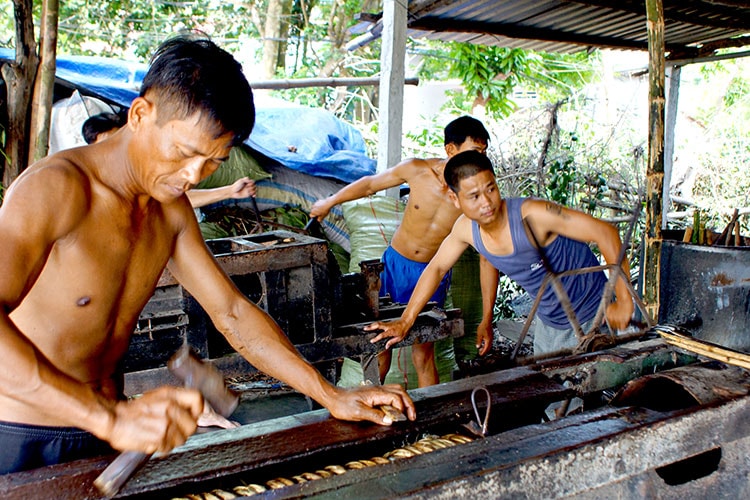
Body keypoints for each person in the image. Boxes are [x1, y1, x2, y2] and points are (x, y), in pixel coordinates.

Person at [0, 34, 414, 475]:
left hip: (109, 430)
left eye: (213, 162)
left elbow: (232, 311)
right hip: (23, 430)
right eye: (184, 153)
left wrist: (330, 395)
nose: (193, 176)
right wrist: (107, 418)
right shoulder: (55, 189)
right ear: (141, 114)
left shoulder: (169, 209)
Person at [366, 150, 634, 358]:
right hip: (551, 319)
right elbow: (436, 269)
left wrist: (623, 300)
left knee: (593, 403)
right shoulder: (466, 230)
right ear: (454, 200)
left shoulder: (534, 214)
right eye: (473, 196)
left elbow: (606, 233)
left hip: (594, 312)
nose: (486, 203)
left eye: (490, 189)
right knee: (553, 400)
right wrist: (405, 320)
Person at [310, 116, 491, 388]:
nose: (481, 159)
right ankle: (371, 412)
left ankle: (432, 428)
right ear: (451, 150)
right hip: (394, 266)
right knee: (380, 349)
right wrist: (330, 201)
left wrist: (486, 318)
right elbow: (370, 184)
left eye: (484, 153)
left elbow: (490, 254)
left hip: (432, 273)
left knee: (423, 355)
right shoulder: (417, 170)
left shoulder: (474, 194)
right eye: (476, 152)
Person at [82, 112, 255, 209]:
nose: (194, 175)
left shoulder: (147, 166)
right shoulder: (90, 182)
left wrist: (229, 191)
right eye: (105, 145)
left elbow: (177, 199)